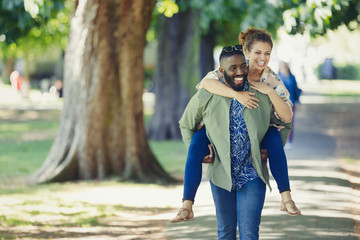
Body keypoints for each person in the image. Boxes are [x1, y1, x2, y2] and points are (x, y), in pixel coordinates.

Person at [171, 28, 301, 224]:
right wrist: (236, 94)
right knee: (197, 142)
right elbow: (206, 83)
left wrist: (269, 91)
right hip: (218, 131)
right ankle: (187, 204)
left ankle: (286, 197)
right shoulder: (233, 67)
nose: (262, 58)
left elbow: (286, 116)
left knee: (273, 138)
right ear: (247, 52)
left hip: (259, 136)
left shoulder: (270, 78)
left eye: (267, 53)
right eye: (257, 52)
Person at [278, 61, 302, 149]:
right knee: (281, 122)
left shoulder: (292, 78)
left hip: (291, 103)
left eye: (285, 66)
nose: (284, 68)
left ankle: (289, 140)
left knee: (290, 123)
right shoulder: (277, 78)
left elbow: (296, 90)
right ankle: (282, 140)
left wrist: (298, 102)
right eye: (282, 66)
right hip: (280, 104)